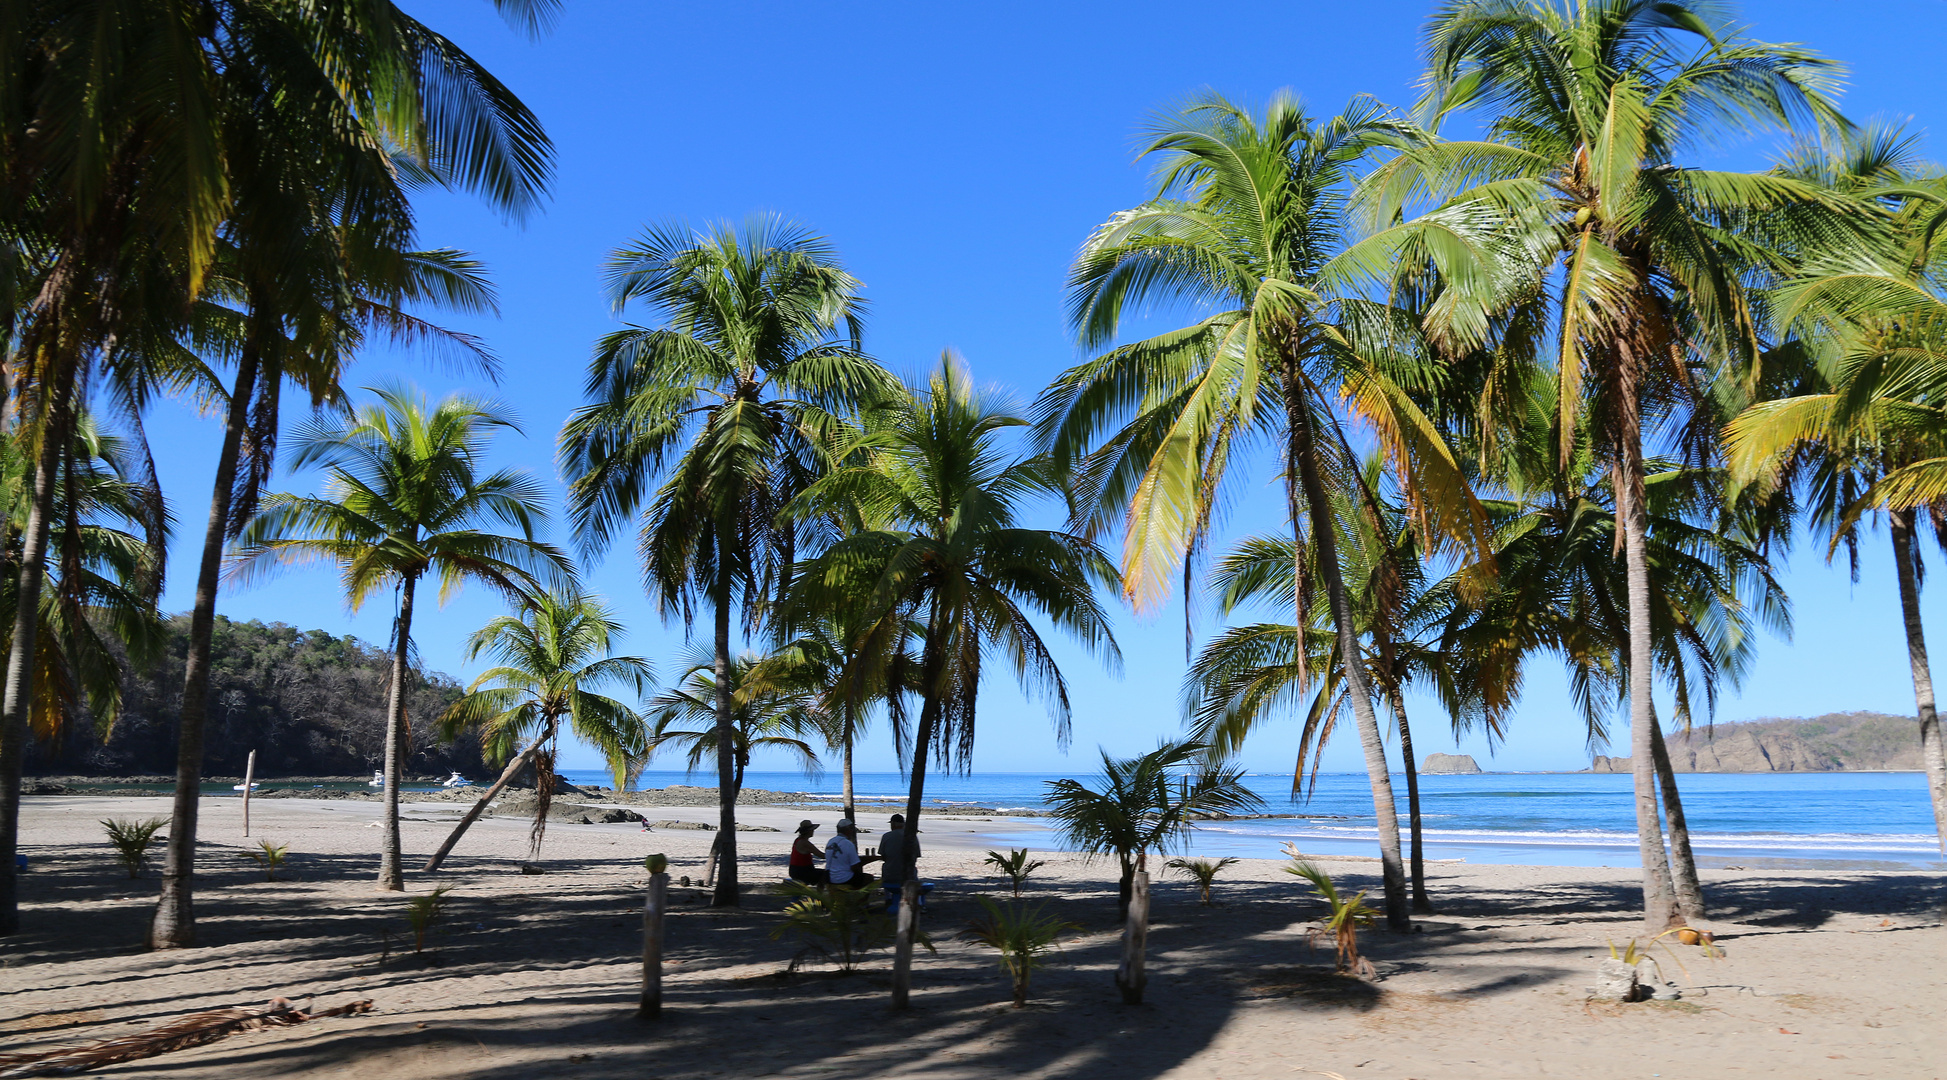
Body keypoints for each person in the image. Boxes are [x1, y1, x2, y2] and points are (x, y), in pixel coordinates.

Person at [823, 818, 880, 889]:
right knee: (868, 878)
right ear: (847, 830)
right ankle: (859, 898)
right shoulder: (848, 844)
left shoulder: (830, 841)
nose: (852, 831)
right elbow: (854, 866)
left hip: (829, 877)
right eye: (851, 829)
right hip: (843, 878)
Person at [878, 813, 920, 890]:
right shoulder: (912, 836)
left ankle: (888, 898)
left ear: (893, 824)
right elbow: (916, 856)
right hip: (909, 875)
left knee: (885, 867)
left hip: (890, 875)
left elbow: (883, 857)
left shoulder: (886, 836)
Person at [788, 819, 825, 885]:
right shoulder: (805, 843)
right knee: (826, 875)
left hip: (795, 870)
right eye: (812, 830)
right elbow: (821, 855)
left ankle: (819, 893)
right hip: (802, 871)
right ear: (808, 831)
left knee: (822, 874)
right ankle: (819, 894)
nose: (813, 831)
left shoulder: (798, 840)